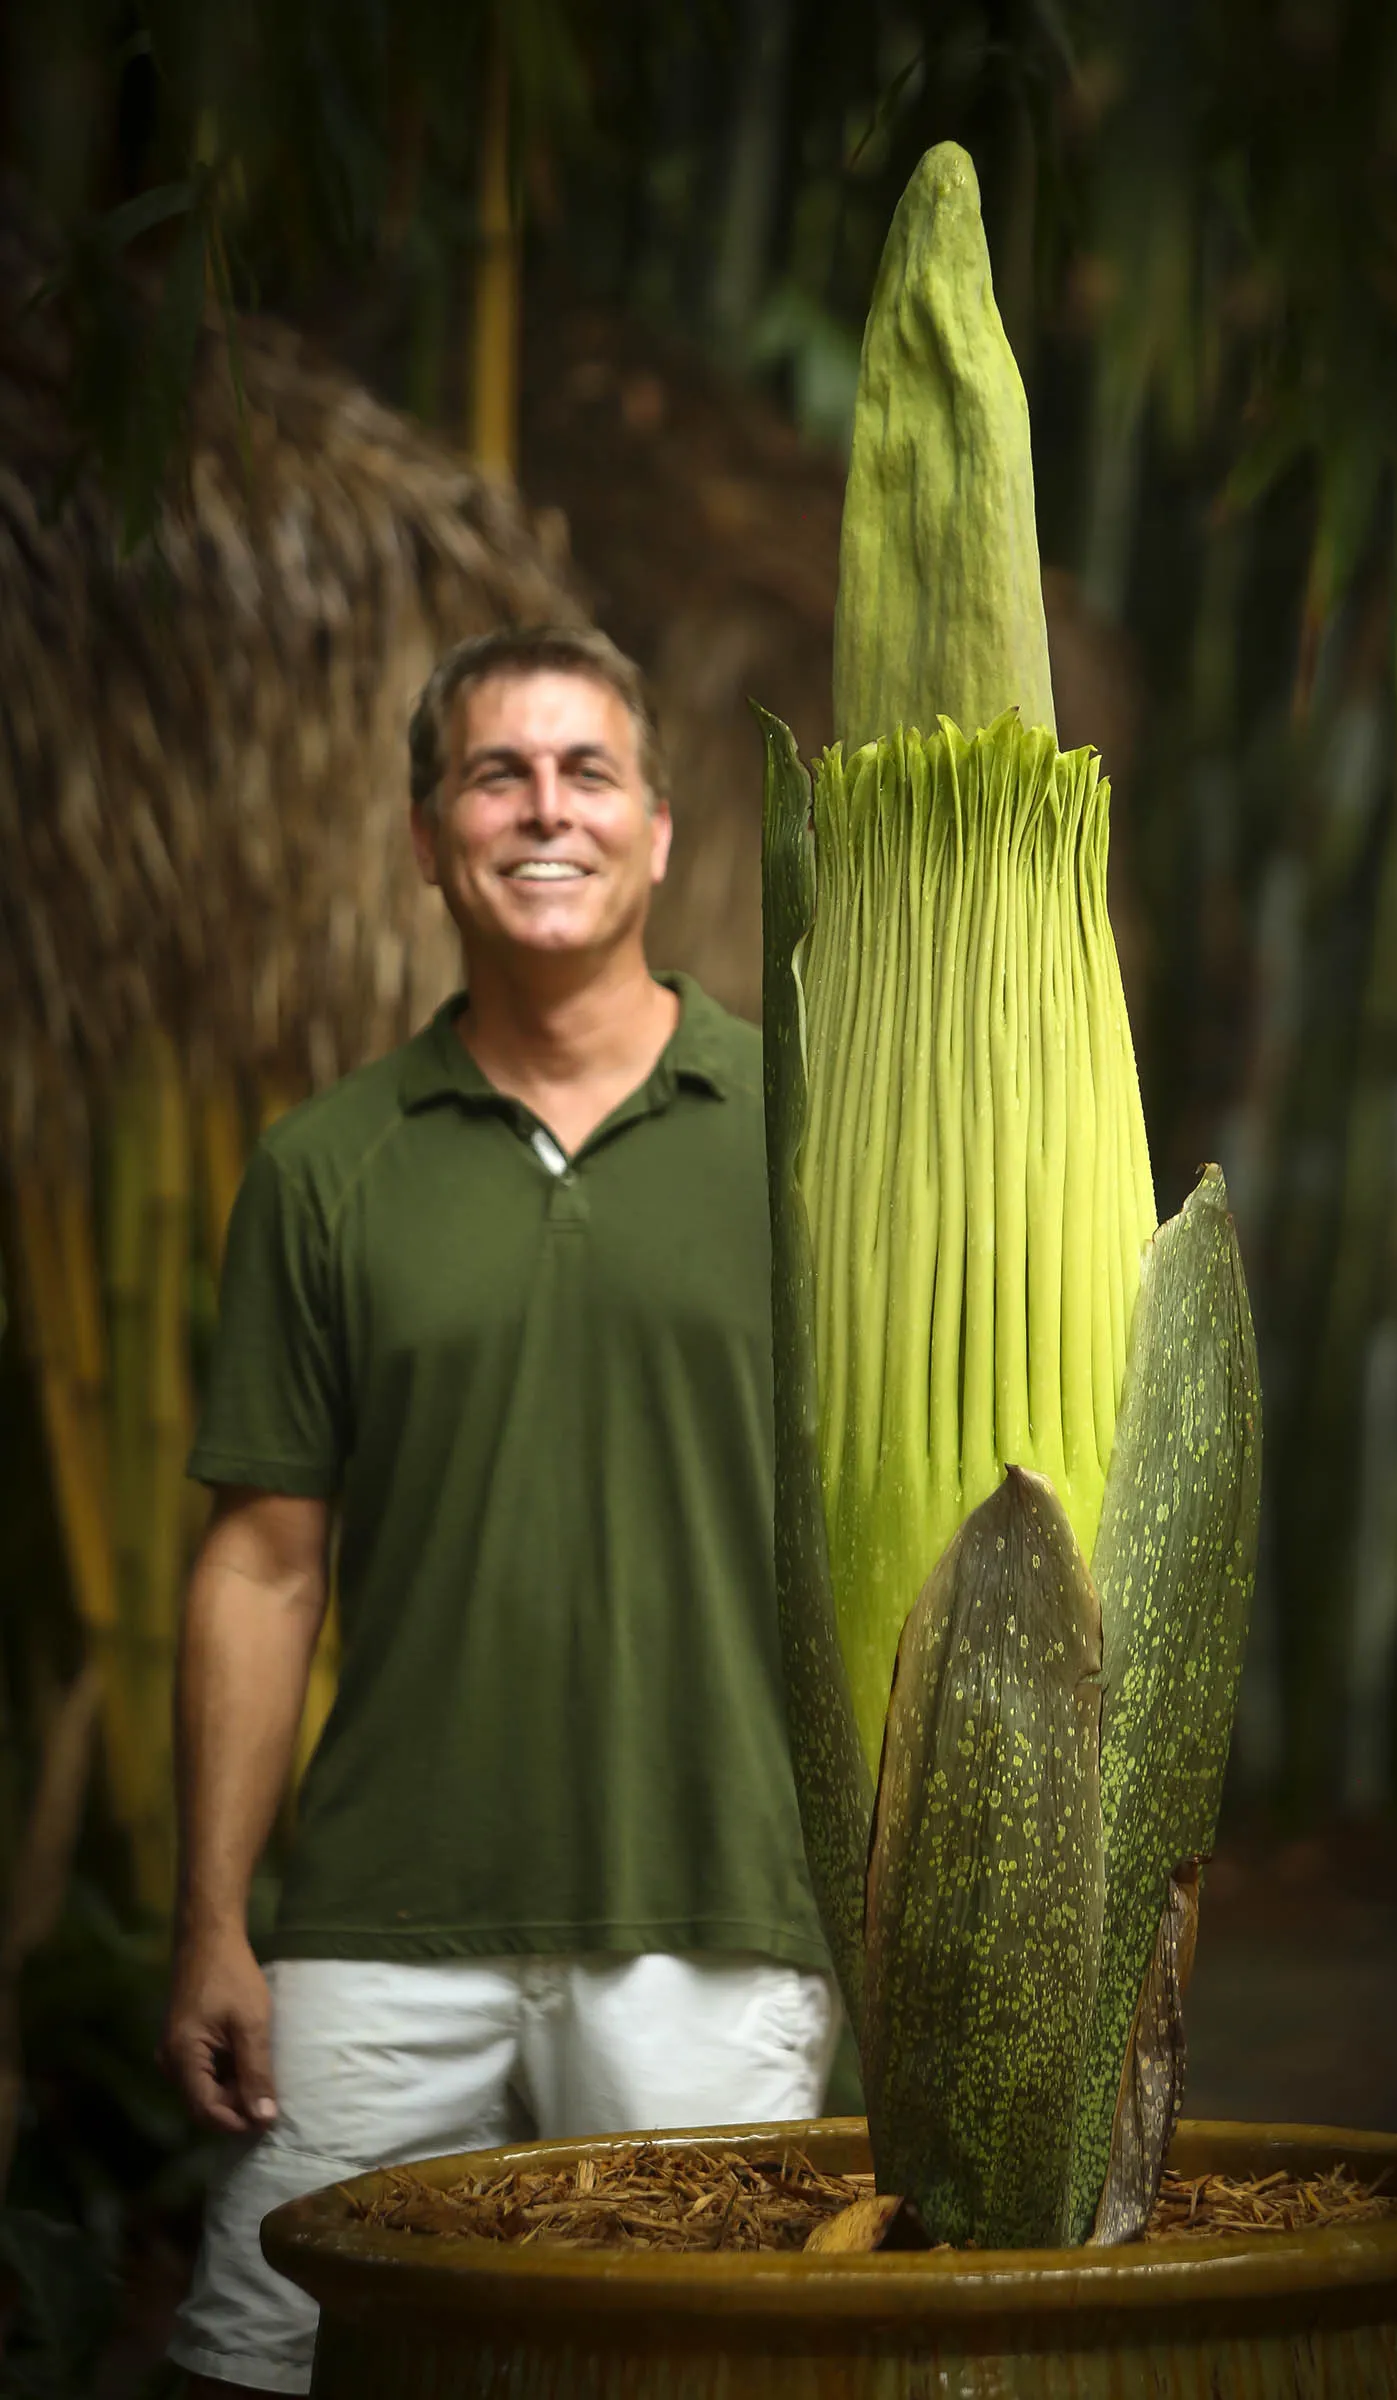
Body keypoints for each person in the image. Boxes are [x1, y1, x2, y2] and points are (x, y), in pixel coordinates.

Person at [161, 623, 837, 2396]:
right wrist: (213, 1919)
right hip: (385, 1924)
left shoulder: (805, 1128)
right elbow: (260, 1560)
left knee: (707, 2380)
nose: (547, 809)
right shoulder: (328, 1166)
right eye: (496, 773)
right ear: (425, 836)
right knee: (257, 2355)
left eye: (587, 771)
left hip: (713, 1907)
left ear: (663, 830)